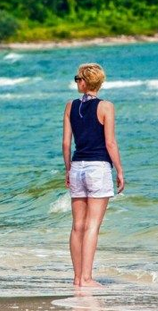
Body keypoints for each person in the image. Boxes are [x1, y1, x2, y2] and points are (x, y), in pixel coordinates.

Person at [62, 63, 125, 287]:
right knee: (92, 226)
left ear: (87, 81)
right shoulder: (106, 107)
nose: (76, 81)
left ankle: (77, 277)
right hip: (98, 168)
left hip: (77, 167)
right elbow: (110, 142)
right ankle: (87, 278)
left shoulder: (70, 106)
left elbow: (66, 143)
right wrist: (119, 170)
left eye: (78, 78)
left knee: (77, 225)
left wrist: (68, 169)